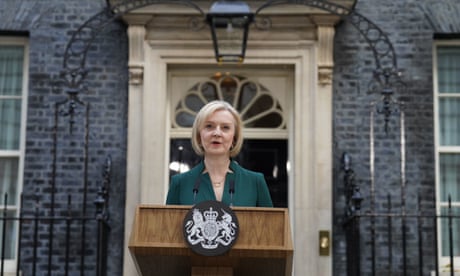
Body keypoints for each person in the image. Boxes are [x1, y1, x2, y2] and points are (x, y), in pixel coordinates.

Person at [166, 100, 273, 207]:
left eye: (225, 127)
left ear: (234, 138)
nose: (217, 133)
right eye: (209, 126)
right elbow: (168, 223)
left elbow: (270, 223)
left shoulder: (255, 182)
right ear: (199, 136)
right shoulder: (180, 183)